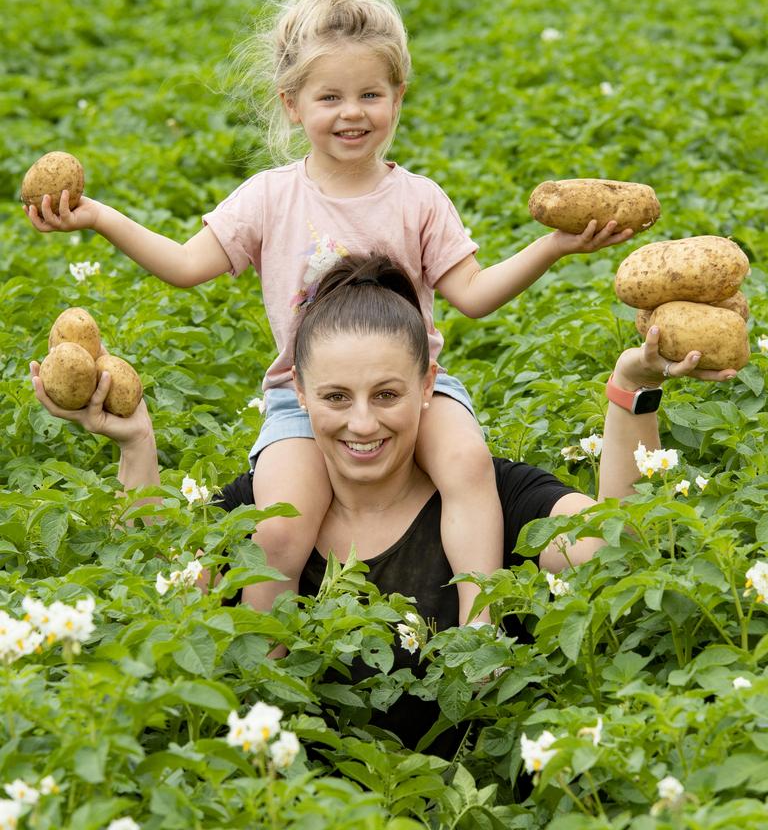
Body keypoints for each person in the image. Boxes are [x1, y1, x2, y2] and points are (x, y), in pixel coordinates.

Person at [24, 0, 636, 626]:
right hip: (301, 397)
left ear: (398, 97)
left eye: (371, 94)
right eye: (330, 97)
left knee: (466, 466)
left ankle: (478, 627)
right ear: (292, 104)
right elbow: (185, 265)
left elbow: (474, 294)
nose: (353, 113)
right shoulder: (269, 198)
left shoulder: (419, 199)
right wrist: (99, 217)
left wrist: (556, 244)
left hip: (413, 387)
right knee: (280, 530)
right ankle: (270, 658)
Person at [30, 254, 735, 747]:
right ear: (298, 397)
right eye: (335, 397)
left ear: (431, 385)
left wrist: (631, 385)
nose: (362, 424)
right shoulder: (266, 515)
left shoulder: (498, 497)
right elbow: (156, 591)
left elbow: (623, 551)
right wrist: (135, 446)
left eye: (388, 394)